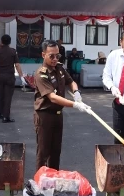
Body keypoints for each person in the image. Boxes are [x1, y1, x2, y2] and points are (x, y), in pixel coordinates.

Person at [34, 40, 91, 171]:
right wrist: (75, 105)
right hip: (44, 116)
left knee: (55, 151)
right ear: (43, 55)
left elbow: (71, 81)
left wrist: (76, 91)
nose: (55, 59)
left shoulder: (59, 67)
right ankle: (40, 182)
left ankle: (53, 179)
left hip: (58, 116)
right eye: (51, 56)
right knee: (43, 152)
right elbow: (52, 98)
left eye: (57, 56)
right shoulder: (41, 73)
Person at [0, 34, 27, 123]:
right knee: (8, 96)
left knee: (1, 95)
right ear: (10, 42)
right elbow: (17, 65)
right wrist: (21, 76)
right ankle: (6, 116)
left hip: (0, 75)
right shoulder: (13, 51)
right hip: (9, 76)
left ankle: (1, 113)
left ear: (1, 41)